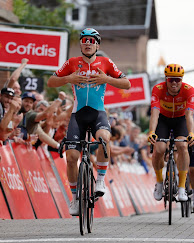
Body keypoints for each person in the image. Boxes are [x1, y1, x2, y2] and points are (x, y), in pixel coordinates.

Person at [47, 28, 131, 216]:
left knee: (104, 139)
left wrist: (106, 78)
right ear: (80, 44)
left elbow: (127, 84)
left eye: (91, 41)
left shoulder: (106, 63)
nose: (87, 43)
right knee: (71, 158)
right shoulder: (72, 63)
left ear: (97, 45)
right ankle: (76, 198)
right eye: (84, 40)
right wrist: (69, 78)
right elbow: (51, 82)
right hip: (78, 115)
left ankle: (100, 179)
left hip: (97, 113)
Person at [148, 63, 194, 202]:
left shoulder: (189, 90)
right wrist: (151, 131)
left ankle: (181, 188)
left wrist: (191, 133)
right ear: (166, 79)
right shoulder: (158, 89)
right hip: (163, 119)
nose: (174, 83)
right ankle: (159, 182)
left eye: (177, 80)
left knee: (182, 146)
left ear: (182, 80)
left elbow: (189, 115)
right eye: (171, 80)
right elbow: (155, 114)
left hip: (180, 120)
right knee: (160, 148)